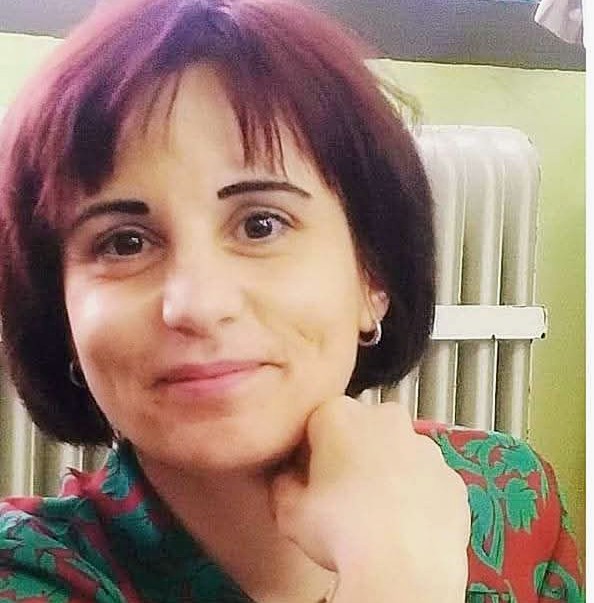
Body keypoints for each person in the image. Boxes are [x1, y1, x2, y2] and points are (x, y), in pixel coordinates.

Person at [0, 0, 583, 601]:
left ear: (372, 275)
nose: (197, 305)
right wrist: (396, 575)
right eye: (125, 243)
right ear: (61, 315)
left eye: (260, 225)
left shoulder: (509, 496)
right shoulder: (24, 575)